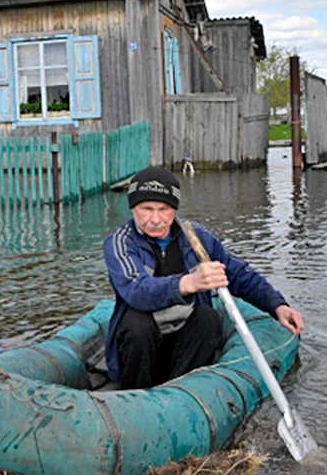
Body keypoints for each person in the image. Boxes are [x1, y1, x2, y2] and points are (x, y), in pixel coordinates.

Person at [103, 165, 304, 390]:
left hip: (184, 340)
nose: (156, 219)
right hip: (142, 343)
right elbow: (136, 290)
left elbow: (238, 274)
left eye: (164, 209)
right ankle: (135, 396)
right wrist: (188, 283)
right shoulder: (120, 242)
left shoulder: (197, 237)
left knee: (208, 319)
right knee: (137, 326)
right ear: (133, 208)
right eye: (146, 209)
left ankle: (180, 392)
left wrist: (277, 305)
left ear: (174, 209)